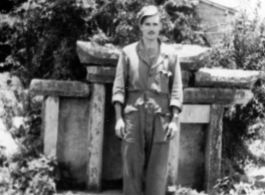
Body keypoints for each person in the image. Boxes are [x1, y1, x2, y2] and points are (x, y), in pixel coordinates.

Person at [112, 5, 183, 195]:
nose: (151, 28)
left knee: (158, 171)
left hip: (161, 117)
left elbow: (176, 89)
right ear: (141, 27)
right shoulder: (128, 53)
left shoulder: (171, 55)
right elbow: (119, 88)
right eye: (147, 24)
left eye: (155, 24)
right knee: (132, 168)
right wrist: (119, 118)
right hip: (133, 115)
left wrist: (174, 121)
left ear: (160, 27)